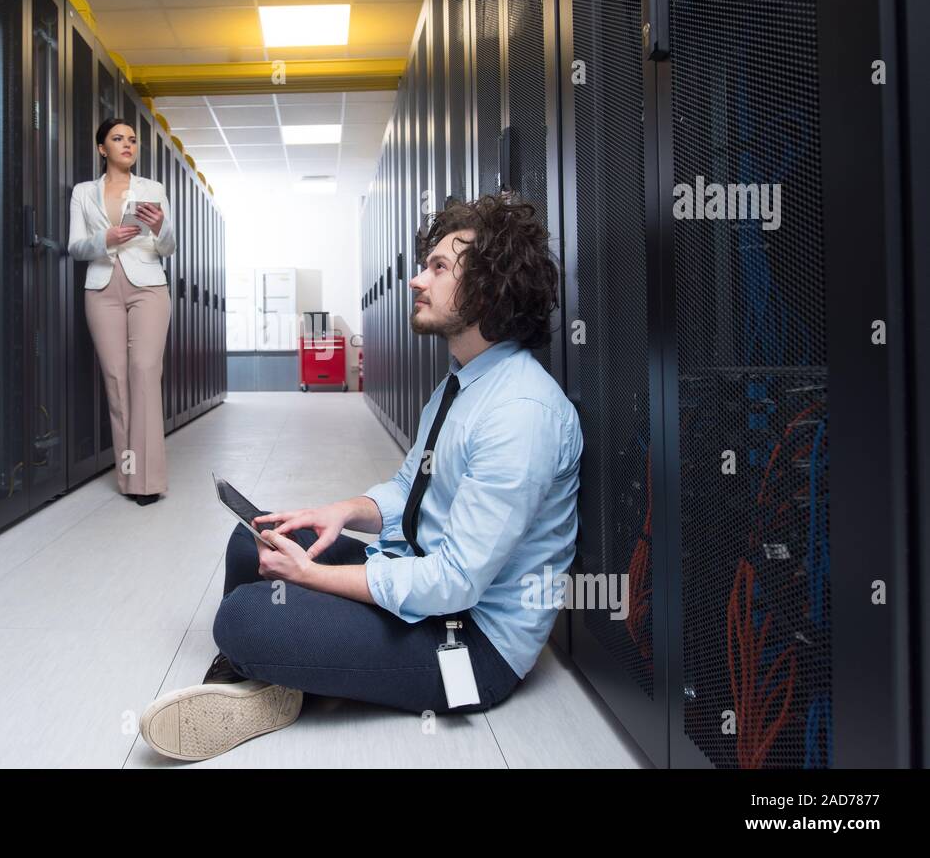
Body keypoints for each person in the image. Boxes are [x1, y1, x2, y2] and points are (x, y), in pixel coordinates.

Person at [139, 191, 583, 761]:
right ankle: (266, 676)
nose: (417, 281)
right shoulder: (463, 382)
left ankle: (258, 666)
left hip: (467, 641)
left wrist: (312, 578)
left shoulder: (521, 412)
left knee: (245, 616)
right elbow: (409, 491)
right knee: (255, 538)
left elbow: (454, 584)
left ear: (491, 289)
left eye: (439, 268)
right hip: (418, 578)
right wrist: (338, 513)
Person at [67, 117, 176, 505]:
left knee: (144, 373)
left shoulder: (153, 189)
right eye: (118, 139)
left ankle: (148, 481)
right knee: (116, 382)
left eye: (132, 139)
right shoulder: (83, 193)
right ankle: (129, 478)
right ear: (102, 149)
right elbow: (75, 247)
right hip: (101, 288)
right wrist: (106, 238)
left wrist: (161, 227)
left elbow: (168, 248)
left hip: (148, 285)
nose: (127, 145)